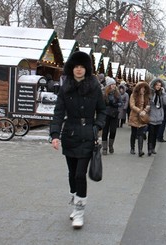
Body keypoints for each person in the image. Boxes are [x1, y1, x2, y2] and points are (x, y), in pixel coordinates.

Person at [50, 51, 106, 229]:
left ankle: (80, 212)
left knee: (80, 175)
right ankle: (75, 201)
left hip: (88, 135)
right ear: (71, 68)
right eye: (76, 66)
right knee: (72, 174)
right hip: (70, 134)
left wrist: (97, 126)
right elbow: (58, 112)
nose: (79, 70)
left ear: (86, 69)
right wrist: (55, 135)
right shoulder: (66, 87)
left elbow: (103, 110)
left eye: (82, 66)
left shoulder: (94, 87)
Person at [147, 78, 166, 156]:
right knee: (151, 133)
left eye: (160, 85)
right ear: (154, 85)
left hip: (159, 116)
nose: (158, 87)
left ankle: (153, 148)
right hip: (152, 115)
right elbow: (149, 102)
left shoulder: (162, 94)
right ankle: (149, 148)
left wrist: (163, 93)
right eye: (157, 85)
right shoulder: (151, 93)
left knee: (156, 134)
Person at [128, 81, 151, 157]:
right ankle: (132, 148)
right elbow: (132, 105)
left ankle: (140, 150)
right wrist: (139, 111)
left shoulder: (146, 96)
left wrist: (145, 110)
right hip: (134, 116)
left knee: (141, 133)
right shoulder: (133, 95)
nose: (143, 89)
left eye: (144, 88)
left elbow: (148, 105)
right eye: (141, 87)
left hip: (142, 117)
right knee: (134, 133)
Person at [101, 77, 122, 155]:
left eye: (114, 84)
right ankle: (104, 148)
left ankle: (111, 145)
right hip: (106, 114)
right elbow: (101, 104)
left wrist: (116, 104)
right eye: (112, 84)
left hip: (114, 114)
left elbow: (121, 103)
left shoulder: (117, 93)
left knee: (113, 131)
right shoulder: (104, 93)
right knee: (105, 131)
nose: (113, 86)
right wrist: (106, 105)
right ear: (109, 85)